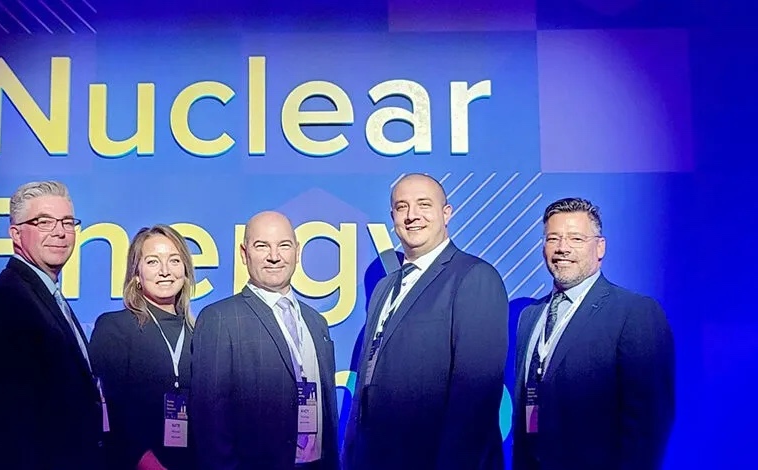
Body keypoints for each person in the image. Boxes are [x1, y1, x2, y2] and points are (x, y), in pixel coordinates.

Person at [343, 173, 509, 470]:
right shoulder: (383, 288)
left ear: (446, 213)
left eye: (423, 204)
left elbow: (475, 398)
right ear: (393, 217)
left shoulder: (474, 277)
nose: (412, 215)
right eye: (402, 207)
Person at [0, 181, 106, 470]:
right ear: (15, 234)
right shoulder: (3, 306)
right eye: (44, 222)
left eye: (67, 222)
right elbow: (2, 427)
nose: (60, 232)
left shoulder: (42, 298)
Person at [512, 197, 675, 470]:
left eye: (576, 239)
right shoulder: (529, 317)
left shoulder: (634, 312)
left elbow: (649, 421)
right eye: (553, 238)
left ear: (600, 247)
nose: (562, 248)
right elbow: (530, 402)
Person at [190, 211, 340, 470]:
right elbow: (209, 420)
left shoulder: (316, 323)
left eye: (284, 245)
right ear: (244, 253)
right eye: (262, 246)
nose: (274, 256)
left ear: (297, 251)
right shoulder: (220, 318)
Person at [89, 225, 198, 470]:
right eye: (152, 262)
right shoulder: (115, 327)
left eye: (174, 260)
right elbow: (112, 412)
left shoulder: (200, 333)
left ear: (185, 270)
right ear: (136, 274)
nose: (165, 271)